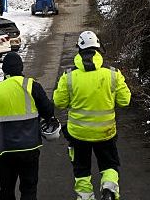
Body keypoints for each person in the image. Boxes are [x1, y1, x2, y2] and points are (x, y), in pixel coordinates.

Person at [53, 31, 131, 200]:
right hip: (106, 132)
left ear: (79, 49)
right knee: (109, 164)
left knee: (81, 169)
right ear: (98, 49)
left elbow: (59, 102)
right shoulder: (113, 74)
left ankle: (85, 197)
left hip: (78, 134)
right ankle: (109, 190)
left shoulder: (69, 77)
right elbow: (125, 101)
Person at [0, 52, 58, 200]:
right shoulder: (32, 86)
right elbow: (48, 111)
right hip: (29, 148)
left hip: (5, 149)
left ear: (4, 70)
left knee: (6, 190)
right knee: (29, 189)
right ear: (21, 68)